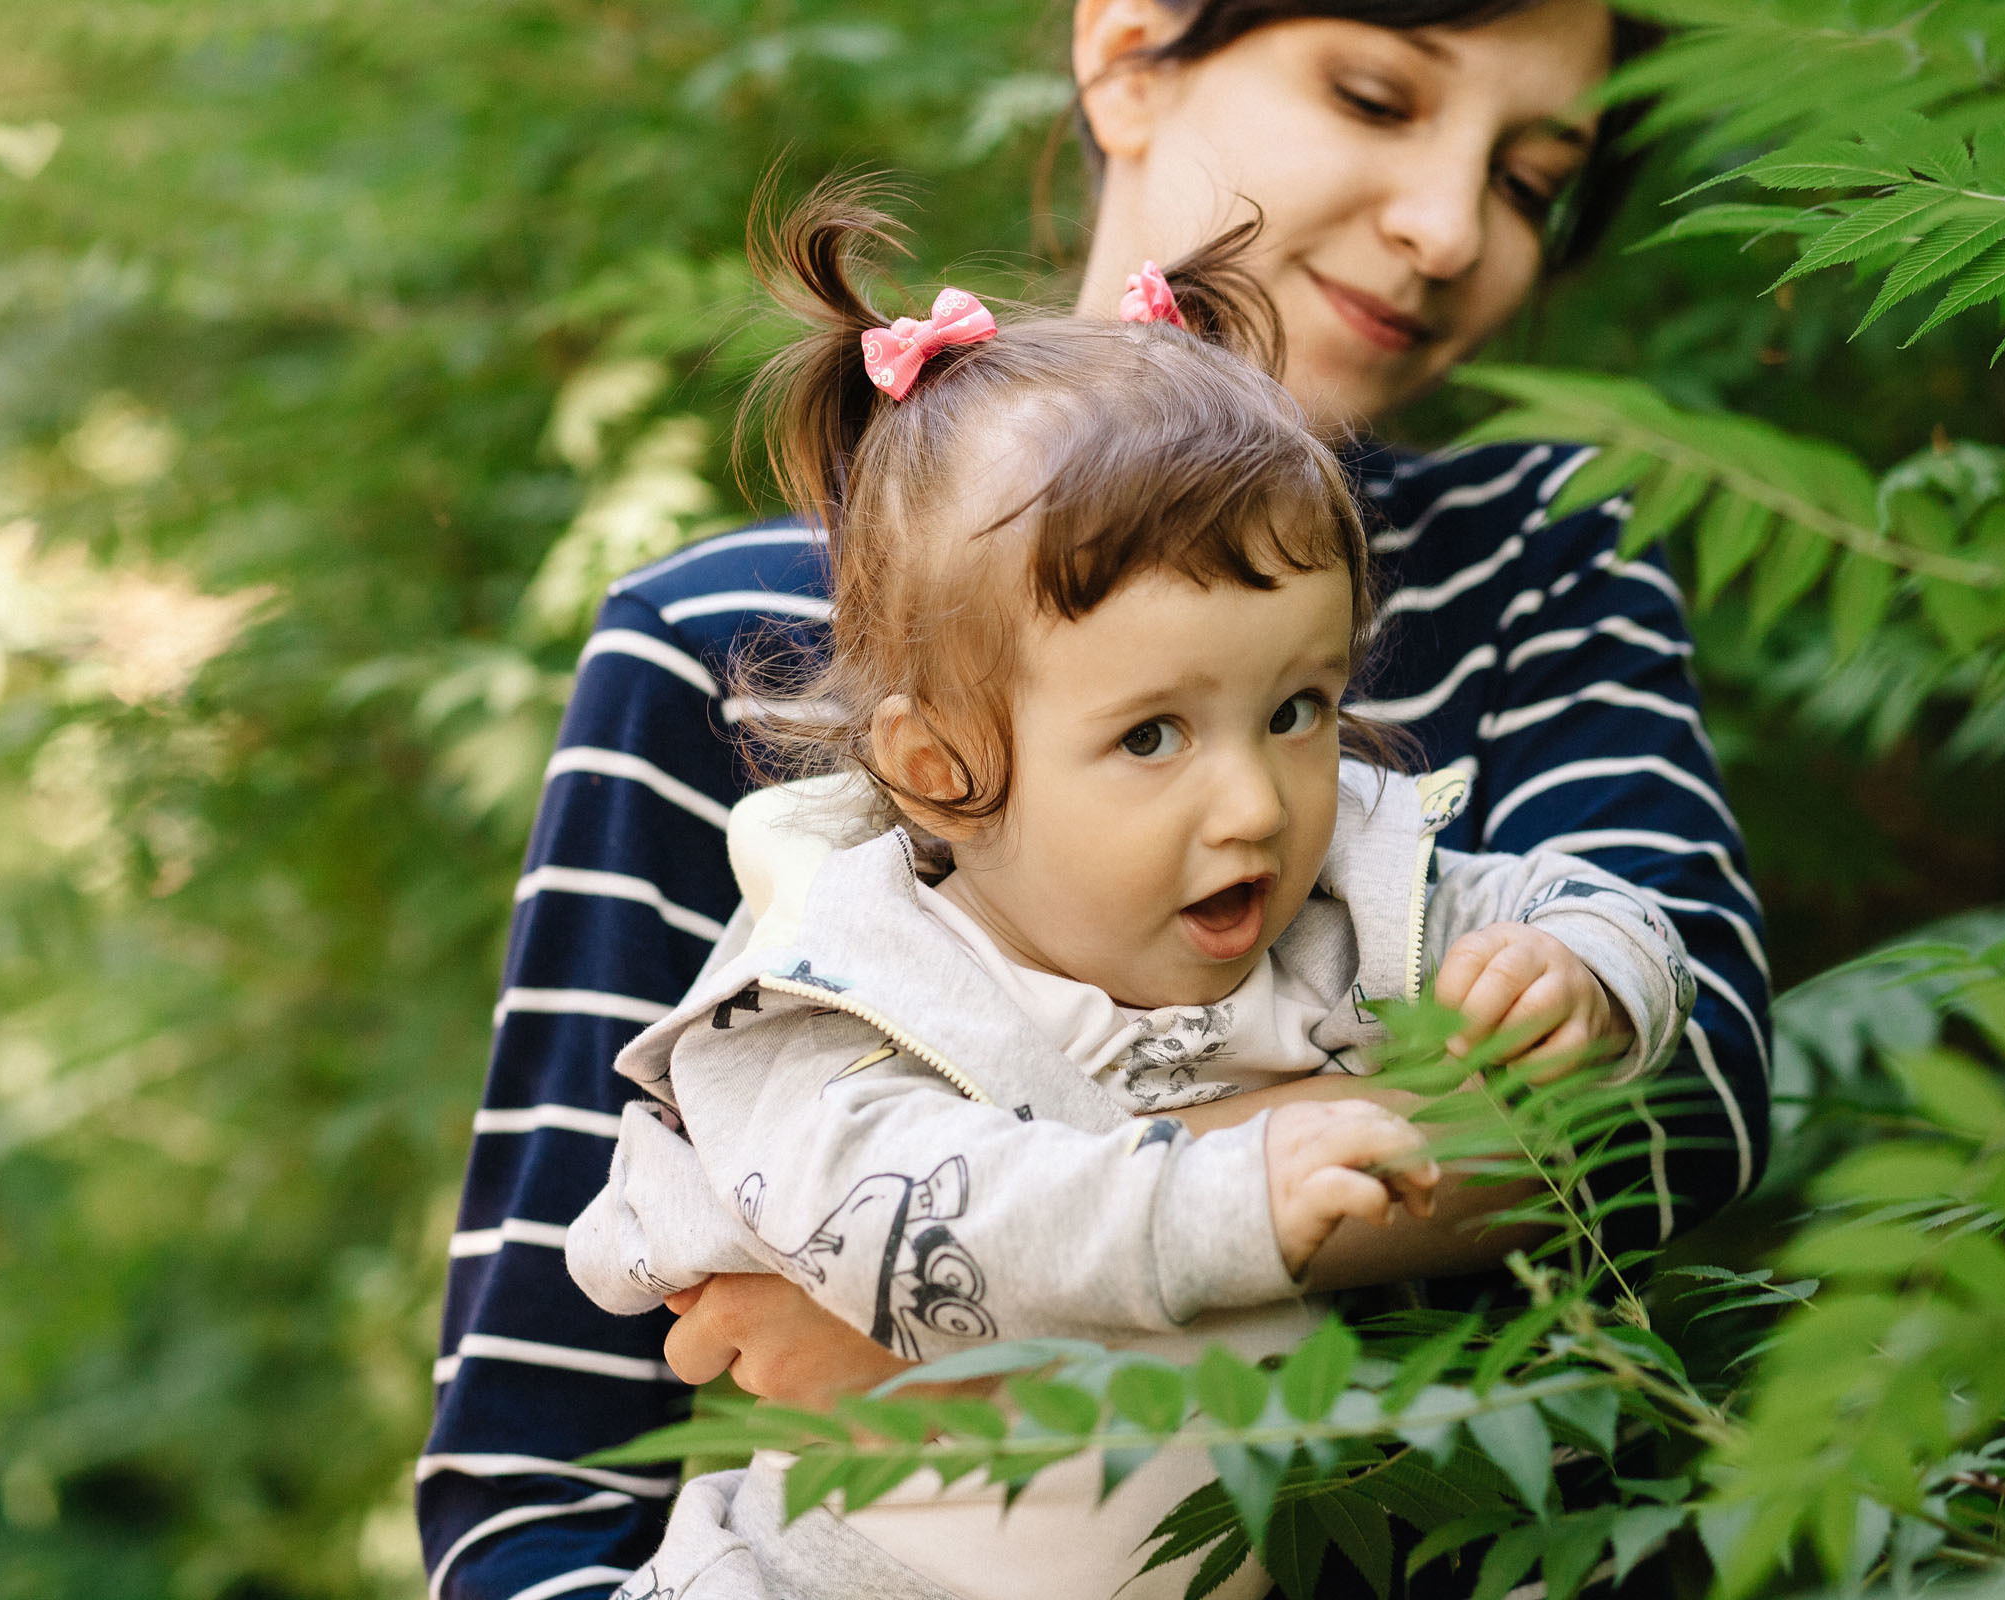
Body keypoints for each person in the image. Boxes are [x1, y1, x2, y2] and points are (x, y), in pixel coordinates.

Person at [417, 3, 1771, 1597]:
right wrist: (1221, 1200)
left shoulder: (1545, 554)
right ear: (1130, 50)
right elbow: (534, 1477)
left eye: (1534, 178)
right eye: (1375, 94)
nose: (1448, 225)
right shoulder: (716, 658)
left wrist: (930, 1291)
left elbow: (1676, 1107)